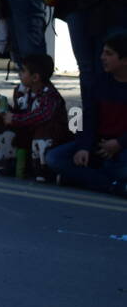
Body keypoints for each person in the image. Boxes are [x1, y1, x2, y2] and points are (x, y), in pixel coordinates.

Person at [45, 33, 127, 195]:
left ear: (125, 60)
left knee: (121, 168)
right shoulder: (99, 83)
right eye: (103, 52)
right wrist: (83, 147)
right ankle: (114, 186)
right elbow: (87, 118)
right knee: (54, 158)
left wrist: (119, 143)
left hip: (123, 147)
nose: (102, 57)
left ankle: (83, 179)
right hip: (98, 144)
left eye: (109, 54)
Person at [0, 53, 72, 178]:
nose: (20, 73)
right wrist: (6, 110)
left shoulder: (50, 96)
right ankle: (7, 162)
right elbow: (21, 113)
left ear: (35, 77)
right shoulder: (23, 92)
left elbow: (40, 116)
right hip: (27, 133)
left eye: (23, 71)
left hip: (51, 139)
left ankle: (43, 169)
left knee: (44, 129)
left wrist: (14, 119)